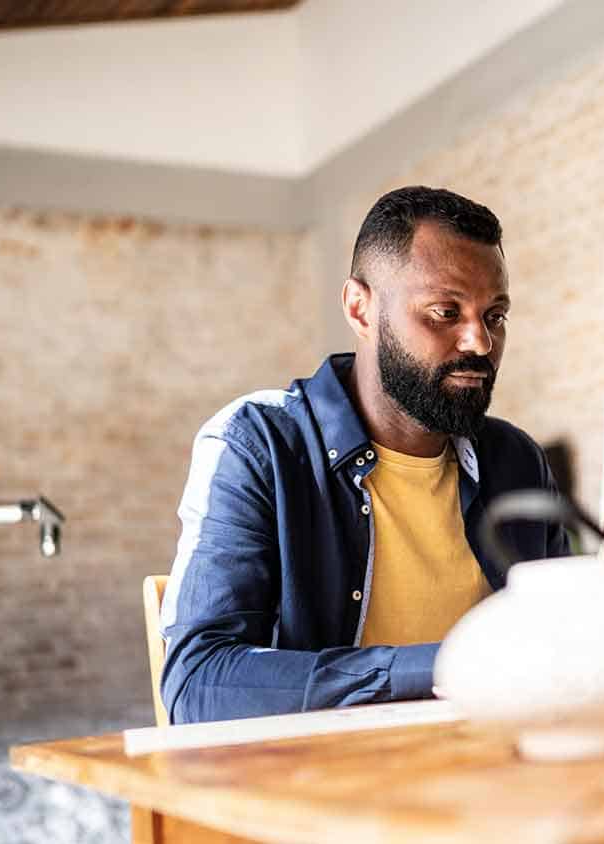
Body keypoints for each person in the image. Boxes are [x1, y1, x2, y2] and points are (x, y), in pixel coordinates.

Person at [160, 186, 569, 724]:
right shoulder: (258, 445)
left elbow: (568, 639)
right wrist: (441, 669)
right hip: (323, 786)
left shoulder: (516, 459)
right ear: (360, 308)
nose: (480, 342)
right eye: (446, 312)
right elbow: (199, 682)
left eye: (495, 316)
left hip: (500, 771)